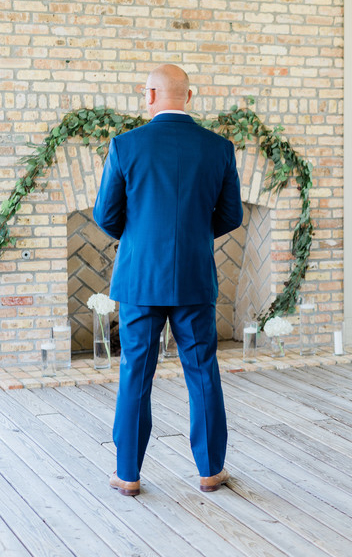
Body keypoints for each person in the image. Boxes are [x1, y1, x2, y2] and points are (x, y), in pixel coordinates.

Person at [94, 64, 243, 495]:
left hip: (140, 278)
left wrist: (141, 239)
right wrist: (193, 236)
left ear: (152, 96)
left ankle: (128, 475)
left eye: (146, 92)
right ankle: (211, 470)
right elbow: (231, 215)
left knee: (135, 373)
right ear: (189, 97)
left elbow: (105, 215)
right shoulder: (218, 148)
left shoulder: (126, 146)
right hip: (194, 276)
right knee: (202, 372)